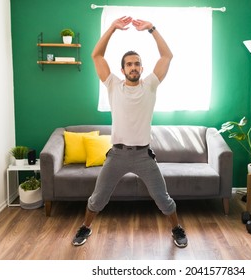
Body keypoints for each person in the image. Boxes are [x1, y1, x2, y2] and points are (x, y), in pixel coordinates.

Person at [72, 16, 188, 248]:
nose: (133, 67)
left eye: (137, 64)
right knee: (97, 199)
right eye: (129, 64)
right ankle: (85, 228)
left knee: (163, 200)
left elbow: (167, 56)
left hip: (144, 155)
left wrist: (152, 29)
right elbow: (96, 56)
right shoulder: (113, 85)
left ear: (142, 68)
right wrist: (112, 28)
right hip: (117, 155)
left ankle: (176, 229)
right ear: (123, 69)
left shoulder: (150, 85)